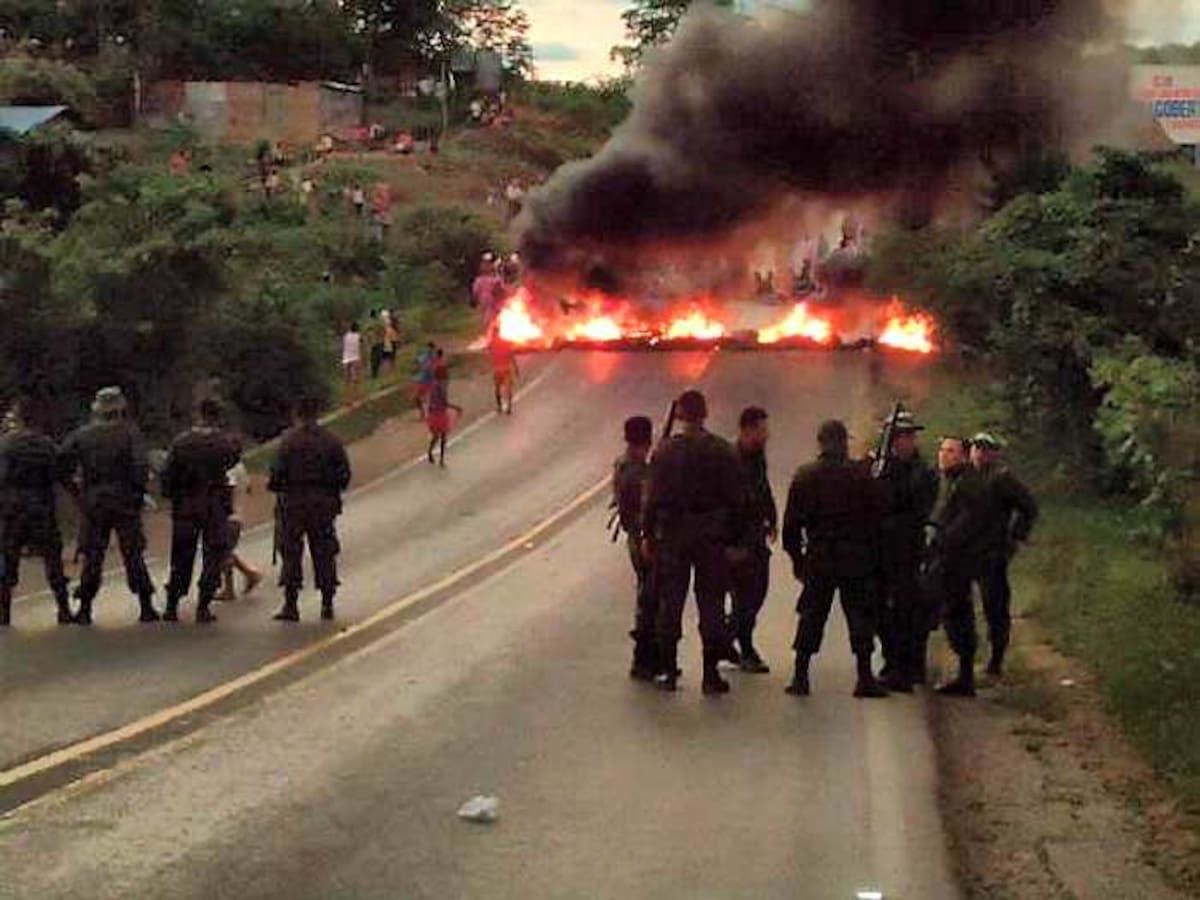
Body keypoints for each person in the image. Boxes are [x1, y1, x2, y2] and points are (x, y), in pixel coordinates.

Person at [641, 389, 749, 695]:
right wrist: (737, 539)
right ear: (705, 413)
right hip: (711, 535)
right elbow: (737, 499)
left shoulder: (665, 452)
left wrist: (647, 534)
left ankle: (669, 670)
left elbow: (653, 498)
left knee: (670, 603)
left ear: (679, 416)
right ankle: (710, 674)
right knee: (711, 605)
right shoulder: (722, 451)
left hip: (674, 534)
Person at [781, 420, 888, 698]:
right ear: (843, 443)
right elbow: (877, 519)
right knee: (860, 616)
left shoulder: (805, 475)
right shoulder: (861, 476)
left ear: (820, 442)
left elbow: (791, 526)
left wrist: (798, 560)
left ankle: (800, 675)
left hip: (820, 555)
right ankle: (864, 677)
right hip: (855, 556)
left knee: (811, 615)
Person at [58, 387, 160, 625]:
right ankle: (146, 605)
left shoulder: (82, 435)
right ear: (120, 408)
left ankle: (85, 608)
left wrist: (77, 493)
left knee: (92, 555)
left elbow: (62, 464)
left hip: (94, 500)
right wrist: (138, 493)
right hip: (125, 500)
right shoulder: (129, 433)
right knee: (133, 553)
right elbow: (140, 466)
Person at [268, 395, 352, 622]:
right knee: (324, 551)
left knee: (291, 553)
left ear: (297, 414)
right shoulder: (331, 441)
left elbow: (275, 477)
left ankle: (291, 604)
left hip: (293, 504)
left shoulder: (288, 441)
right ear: (317, 414)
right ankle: (327, 602)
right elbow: (344, 476)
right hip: (323, 504)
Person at [159, 398, 242, 624]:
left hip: (185, 506)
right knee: (213, 557)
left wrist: (171, 495)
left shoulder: (181, 442)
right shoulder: (223, 443)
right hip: (214, 506)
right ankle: (203, 605)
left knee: (181, 557)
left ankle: (172, 604)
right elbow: (234, 457)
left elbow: (167, 474)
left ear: (198, 414)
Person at [875, 411, 940, 691]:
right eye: (902, 436)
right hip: (882, 550)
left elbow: (916, 505)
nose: (908, 441)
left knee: (909, 611)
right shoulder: (879, 468)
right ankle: (892, 662)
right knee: (881, 612)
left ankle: (908, 668)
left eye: (910, 436)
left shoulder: (922, 472)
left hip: (909, 549)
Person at [926, 436, 992, 697]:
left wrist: (942, 540)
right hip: (953, 559)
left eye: (951, 451)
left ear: (964, 456)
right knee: (953, 612)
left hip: (958, 561)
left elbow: (966, 523)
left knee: (956, 613)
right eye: (942, 450)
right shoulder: (955, 481)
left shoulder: (968, 484)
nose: (944, 455)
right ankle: (963, 674)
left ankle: (965, 676)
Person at [970, 432, 1038, 677]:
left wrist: (1015, 537)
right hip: (969, 549)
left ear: (995, 453)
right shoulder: (969, 477)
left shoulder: (1002, 479)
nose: (980, 453)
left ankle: (996, 659)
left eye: (986, 449)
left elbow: (1028, 507)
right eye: (977, 448)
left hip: (993, 551)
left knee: (995, 606)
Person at [0, 399, 72, 626]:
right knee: (52, 559)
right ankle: (64, 608)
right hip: (41, 506)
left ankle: (4, 613)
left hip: (12, 508)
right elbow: (62, 474)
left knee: (7, 559)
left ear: (19, 418)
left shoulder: (5, 444)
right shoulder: (47, 445)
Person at [730, 406, 777, 674]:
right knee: (745, 595)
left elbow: (763, 488)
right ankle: (743, 646)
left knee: (757, 591)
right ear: (747, 430)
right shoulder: (732, 459)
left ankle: (728, 636)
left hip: (755, 534)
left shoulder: (757, 457)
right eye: (762, 429)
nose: (767, 434)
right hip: (737, 538)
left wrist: (771, 518)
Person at [613, 416, 656, 680]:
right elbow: (643, 507)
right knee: (650, 598)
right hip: (642, 538)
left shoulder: (624, 464)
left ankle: (648, 657)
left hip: (635, 536)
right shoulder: (636, 471)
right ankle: (644, 659)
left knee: (648, 595)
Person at [217, 458, 262, 602]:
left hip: (229, 516)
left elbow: (228, 489)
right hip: (237, 514)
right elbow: (249, 488)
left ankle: (230, 588)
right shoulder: (240, 467)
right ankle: (249, 575)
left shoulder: (230, 469)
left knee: (223, 552)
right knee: (224, 551)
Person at [426, 361, 463, 467]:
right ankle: (441, 459)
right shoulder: (440, 387)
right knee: (442, 436)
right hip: (440, 413)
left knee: (436, 436)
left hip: (434, 413)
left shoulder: (435, 386)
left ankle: (430, 452)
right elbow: (444, 402)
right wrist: (456, 408)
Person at [489, 336, 519, 415]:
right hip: (506, 370)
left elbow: (491, 357)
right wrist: (516, 368)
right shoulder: (506, 344)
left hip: (497, 370)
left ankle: (499, 407)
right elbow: (512, 357)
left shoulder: (493, 344)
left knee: (497, 389)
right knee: (508, 389)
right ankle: (509, 407)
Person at [412, 342, 437, 419]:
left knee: (428, 398)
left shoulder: (434, 358)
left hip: (429, 381)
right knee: (418, 398)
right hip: (423, 380)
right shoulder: (424, 357)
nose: (430, 350)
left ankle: (428, 414)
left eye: (431, 349)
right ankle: (423, 413)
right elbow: (417, 363)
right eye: (428, 348)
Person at [342, 321, 363, 405]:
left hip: (345, 359)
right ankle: (355, 399)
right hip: (355, 359)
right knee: (355, 380)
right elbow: (361, 345)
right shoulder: (358, 336)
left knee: (347, 380)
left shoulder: (346, 336)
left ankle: (347, 399)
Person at [380, 310, 401, 377]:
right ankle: (390, 369)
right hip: (391, 339)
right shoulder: (392, 321)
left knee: (387, 355)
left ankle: (387, 370)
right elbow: (398, 329)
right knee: (391, 355)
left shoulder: (388, 322)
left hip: (388, 340)